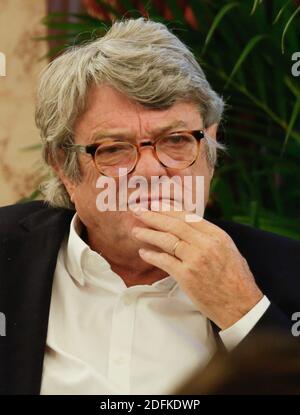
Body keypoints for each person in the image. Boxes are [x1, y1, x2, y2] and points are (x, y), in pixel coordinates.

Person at [0, 18, 299, 395]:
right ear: (64, 167)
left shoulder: (288, 272)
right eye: (113, 148)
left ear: (209, 145)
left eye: (175, 140)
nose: (150, 170)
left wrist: (244, 311)